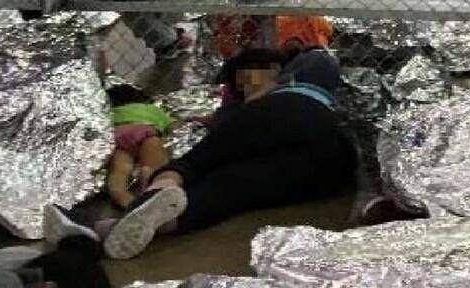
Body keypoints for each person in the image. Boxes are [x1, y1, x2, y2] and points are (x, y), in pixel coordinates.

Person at [101, 47, 356, 260]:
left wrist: (259, 95)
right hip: (329, 147)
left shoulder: (287, 82)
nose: (245, 87)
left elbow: (229, 129)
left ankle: (159, 189)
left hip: (282, 109)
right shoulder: (324, 88)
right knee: (240, 189)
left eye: (247, 80)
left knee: (203, 166)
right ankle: (164, 222)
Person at [105, 84, 174, 210]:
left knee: (120, 170)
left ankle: (122, 197)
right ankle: (151, 184)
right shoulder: (152, 109)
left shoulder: (111, 112)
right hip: (144, 132)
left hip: (118, 136)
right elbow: (171, 126)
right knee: (153, 164)